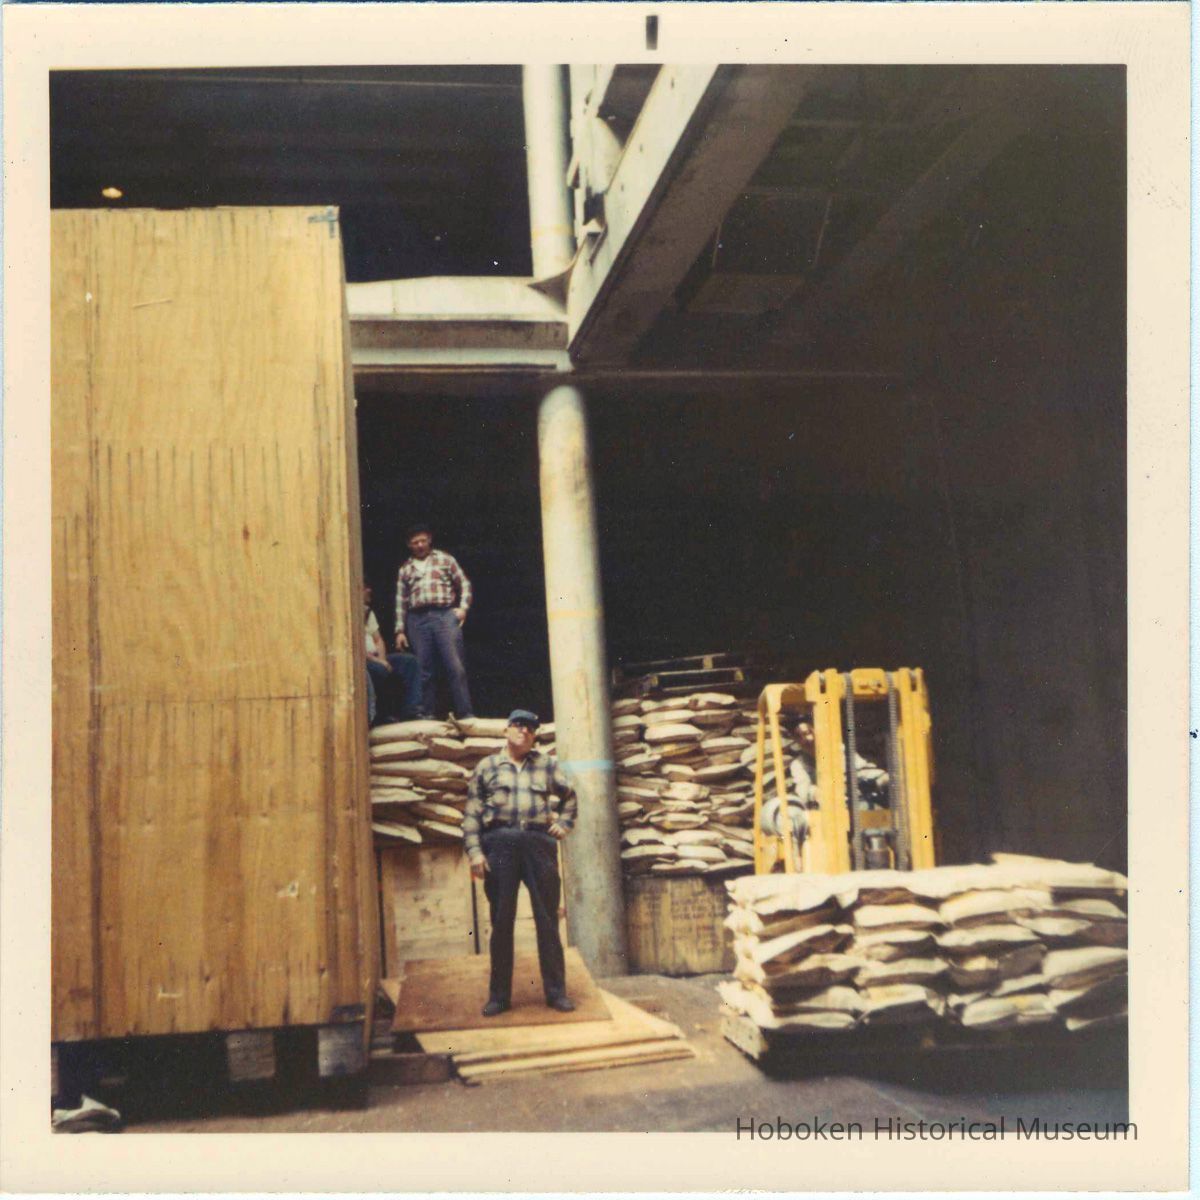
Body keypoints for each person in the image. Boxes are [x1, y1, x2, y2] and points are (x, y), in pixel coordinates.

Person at [462, 709, 576, 1016]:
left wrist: (564, 823)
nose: (523, 732)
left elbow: (570, 795)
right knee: (501, 922)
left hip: (539, 845)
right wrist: (475, 852)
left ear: (535, 736)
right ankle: (499, 997)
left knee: (548, 921)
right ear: (505, 731)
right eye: (517, 726)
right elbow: (472, 813)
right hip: (499, 844)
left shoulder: (547, 765)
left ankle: (556, 993)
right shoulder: (487, 767)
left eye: (529, 728)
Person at [393, 522, 474, 719]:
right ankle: (427, 714)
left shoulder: (444, 559)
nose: (420, 545)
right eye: (415, 542)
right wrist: (400, 631)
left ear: (429, 540)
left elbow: (464, 583)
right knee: (423, 668)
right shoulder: (405, 569)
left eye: (422, 541)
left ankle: (465, 713)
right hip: (417, 619)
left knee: (455, 665)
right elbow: (401, 601)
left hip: (444, 615)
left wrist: (463, 608)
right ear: (409, 545)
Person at [364, 586, 422, 725]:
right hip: (363, 660)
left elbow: (378, 640)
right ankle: (382, 716)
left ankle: (412, 711)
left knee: (410, 662)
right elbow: (354, 647)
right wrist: (378, 662)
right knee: (380, 671)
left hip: (376, 658)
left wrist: (382, 659)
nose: (370, 590)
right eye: (366, 588)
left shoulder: (367, 612)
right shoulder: (349, 611)